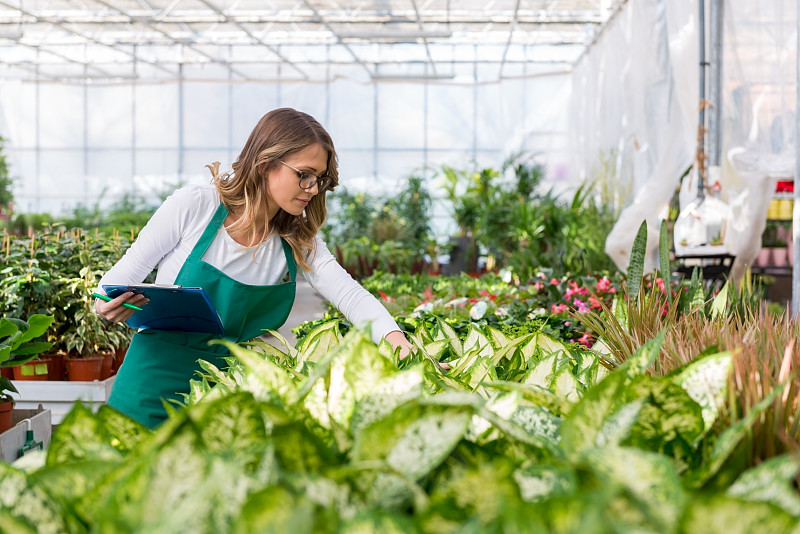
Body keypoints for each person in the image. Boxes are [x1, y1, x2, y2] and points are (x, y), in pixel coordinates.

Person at [94, 107, 414, 428]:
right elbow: (116, 282)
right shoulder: (195, 206)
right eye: (304, 174)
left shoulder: (297, 239)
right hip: (149, 387)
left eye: (320, 179)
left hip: (223, 397)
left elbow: (352, 297)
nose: (314, 189)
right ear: (265, 165)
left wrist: (404, 350)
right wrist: (107, 304)